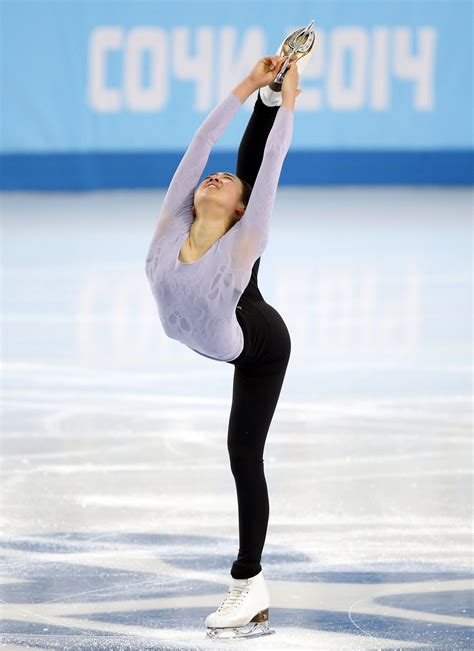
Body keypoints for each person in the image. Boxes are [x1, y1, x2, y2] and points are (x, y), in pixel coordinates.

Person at [145, 54, 301, 639]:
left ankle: (248, 583)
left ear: (239, 207)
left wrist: (291, 101)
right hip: (220, 303)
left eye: (229, 183)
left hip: (257, 339)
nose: (214, 179)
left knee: (242, 453)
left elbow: (270, 167)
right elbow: (202, 140)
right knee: (240, 159)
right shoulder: (169, 225)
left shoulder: (248, 236)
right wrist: (252, 86)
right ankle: (260, 106)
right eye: (210, 178)